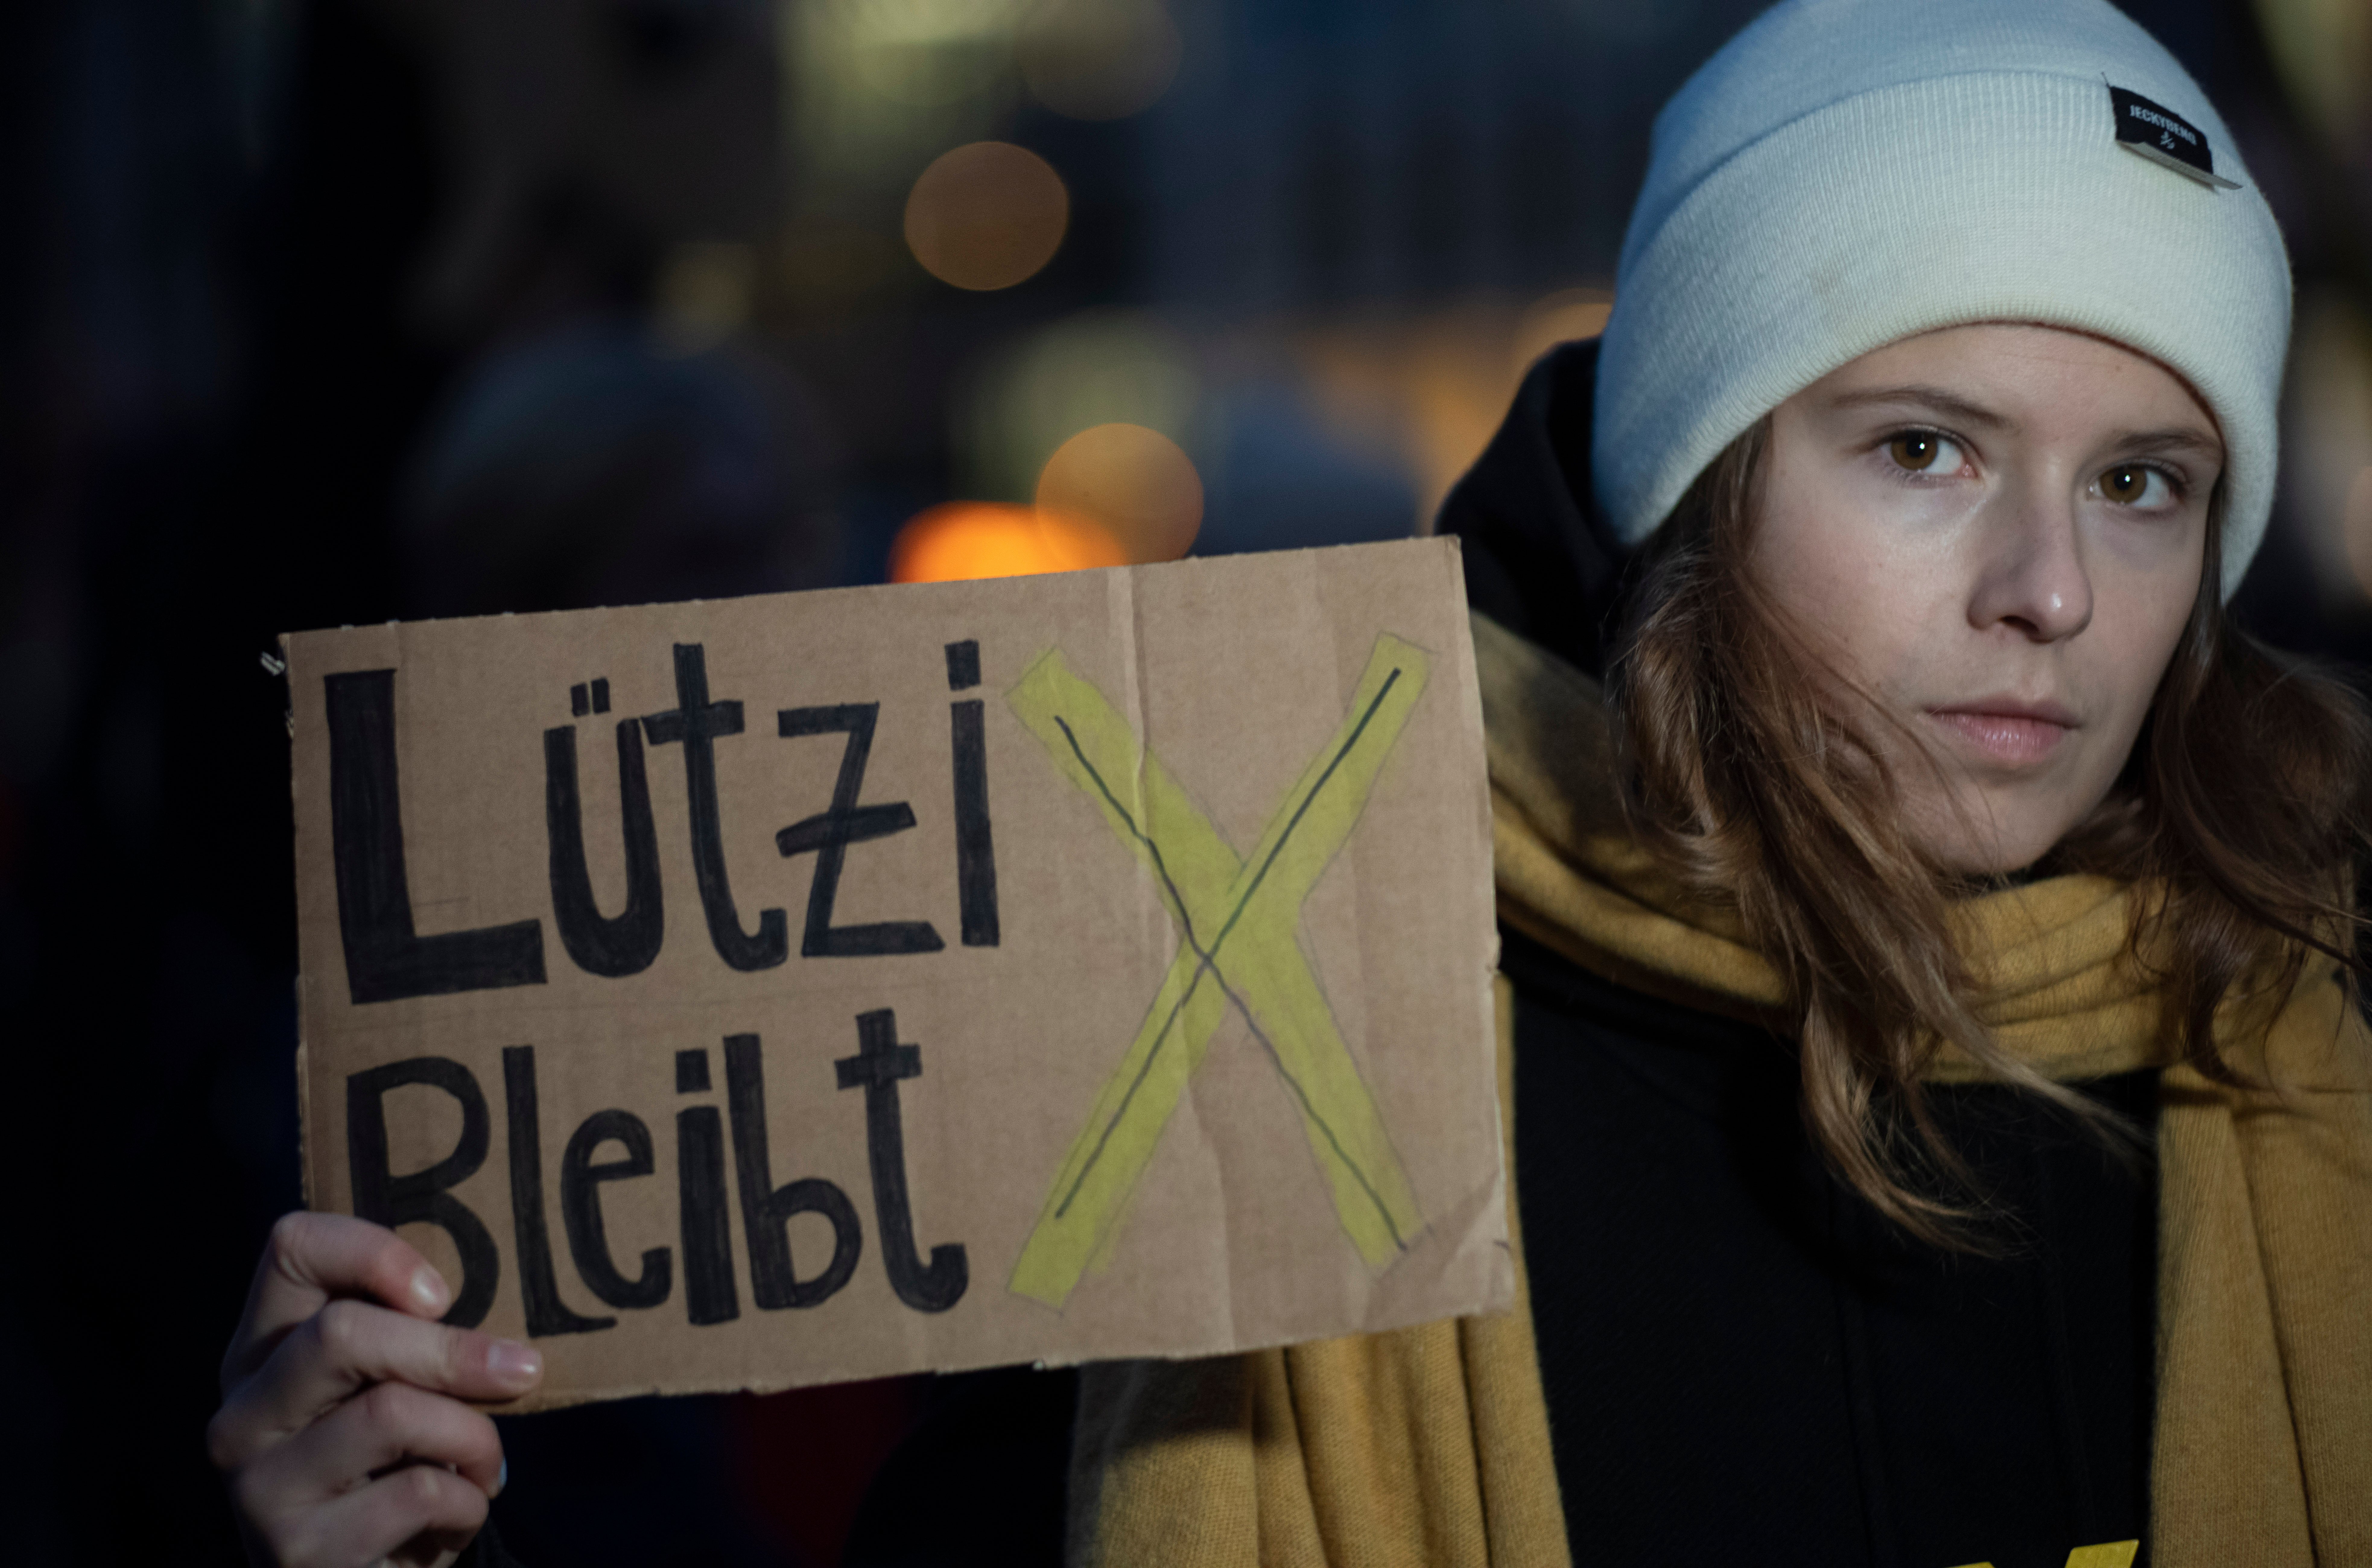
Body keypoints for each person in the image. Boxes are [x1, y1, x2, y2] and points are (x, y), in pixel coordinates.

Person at [211, 1, 2372, 1563]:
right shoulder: (1229, 996)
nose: (2048, 591)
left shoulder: (2313, 1051)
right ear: (1699, 486)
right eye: (1920, 449)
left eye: (2143, 482)